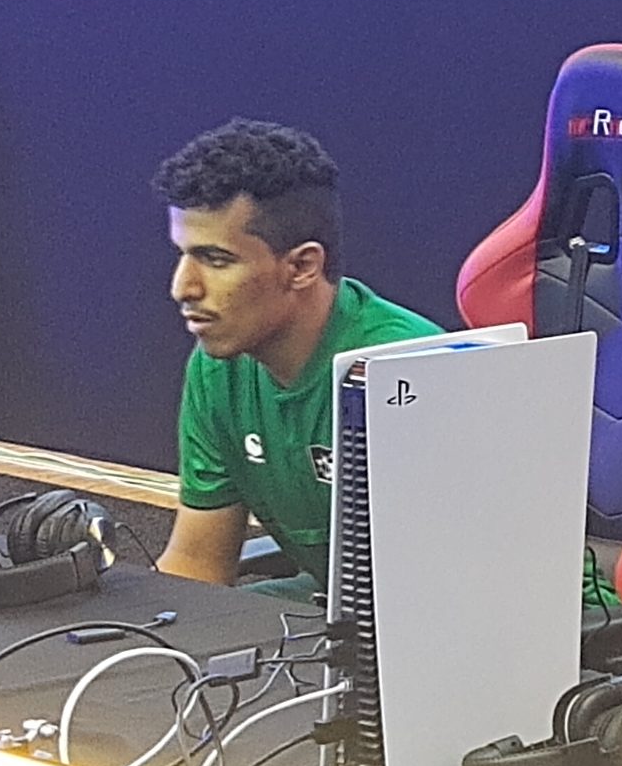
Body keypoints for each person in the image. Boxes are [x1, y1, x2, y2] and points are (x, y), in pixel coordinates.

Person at [153, 119, 442, 595]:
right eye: (182, 255)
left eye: (216, 260)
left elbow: (453, 591)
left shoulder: (409, 374)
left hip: (455, 614)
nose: (182, 287)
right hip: (341, 606)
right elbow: (196, 564)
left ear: (303, 266)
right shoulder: (217, 367)